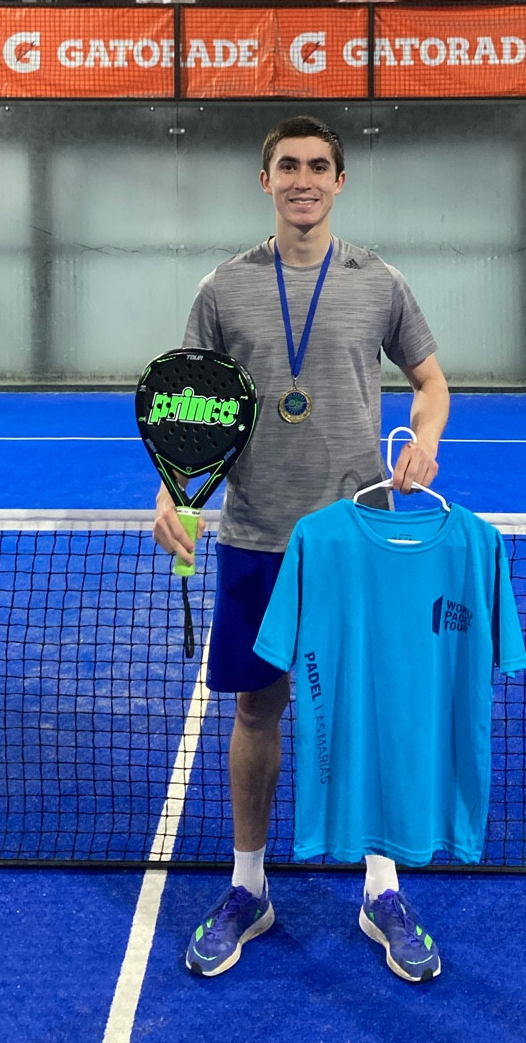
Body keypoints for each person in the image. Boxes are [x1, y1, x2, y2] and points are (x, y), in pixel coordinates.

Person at [151, 113, 451, 981]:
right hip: (255, 536)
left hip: (357, 538)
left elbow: (430, 381)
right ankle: (248, 887)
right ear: (266, 180)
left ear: (339, 181)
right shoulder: (224, 289)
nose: (303, 180)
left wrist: (426, 439)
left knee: (367, 712)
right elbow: (187, 405)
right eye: (288, 166)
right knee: (256, 712)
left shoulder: (380, 282)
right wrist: (172, 489)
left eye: (319, 166)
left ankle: (382, 890)